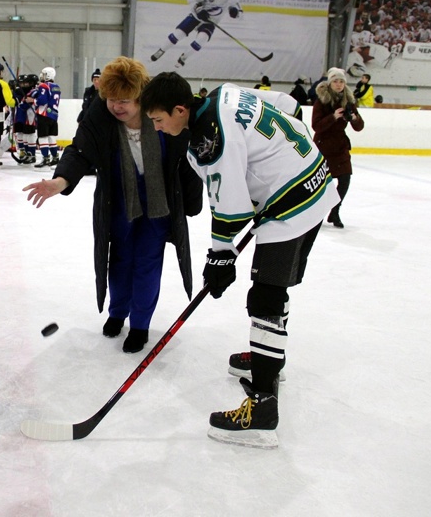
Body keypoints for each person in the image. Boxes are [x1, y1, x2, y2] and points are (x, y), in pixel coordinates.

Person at [140, 73, 339, 449]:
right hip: (314, 181)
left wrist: (219, 259)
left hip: (293, 208)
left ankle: (262, 408)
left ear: (180, 110)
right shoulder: (224, 94)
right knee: (272, 294)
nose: (157, 128)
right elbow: (288, 106)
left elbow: (229, 208)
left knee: (265, 298)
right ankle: (270, 358)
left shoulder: (208, 138)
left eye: (159, 120)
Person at [23, 57, 203, 354]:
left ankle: (141, 323)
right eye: (111, 100)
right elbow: (80, 150)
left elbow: (186, 161)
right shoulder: (100, 115)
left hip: (158, 204)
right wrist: (61, 181)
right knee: (119, 261)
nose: (117, 107)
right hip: (119, 200)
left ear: (140, 97)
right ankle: (117, 312)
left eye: (125, 101)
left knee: (147, 264)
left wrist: (192, 202)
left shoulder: (160, 114)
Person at [149, 0, 242, 68]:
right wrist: (198, 9)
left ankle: (183, 58)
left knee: (201, 40)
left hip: (210, 22)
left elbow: (240, 13)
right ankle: (161, 50)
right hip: (195, 17)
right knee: (177, 35)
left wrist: (236, 13)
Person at [311, 67, 365, 229]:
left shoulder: (348, 100)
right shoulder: (321, 101)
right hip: (324, 147)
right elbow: (316, 126)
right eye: (335, 81)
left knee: (345, 179)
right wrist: (333, 117)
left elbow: (359, 127)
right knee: (321, 184)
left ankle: (335, 212)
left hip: (340, 146)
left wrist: (354, 118)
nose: (339, 84)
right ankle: (316, 214)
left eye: (341, 81)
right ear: (330, 83)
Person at [32, 66, 61, 168]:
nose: (42, 76)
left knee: (43, 138)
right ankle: (55, 157)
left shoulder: (44, 85)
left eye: (44, 74)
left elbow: (42, 100)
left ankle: (45, 158)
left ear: (48, 75)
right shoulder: (57, 86)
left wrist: (33, 100)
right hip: (54, 115)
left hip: (44, 115)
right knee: (51, 137)